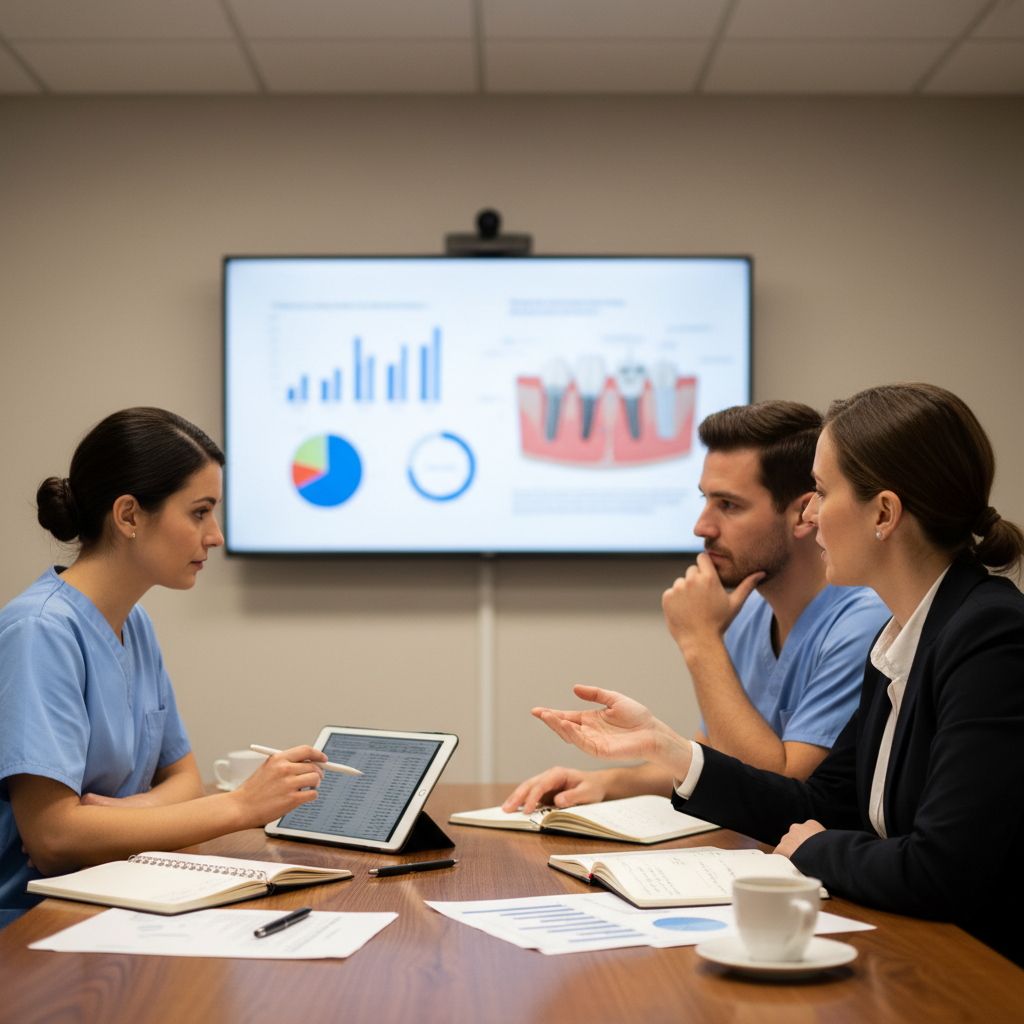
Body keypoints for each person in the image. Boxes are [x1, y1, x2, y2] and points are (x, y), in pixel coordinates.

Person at [530, 383, 1024, 965]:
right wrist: (666, 747)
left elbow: (941, 869)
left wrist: (817, 851)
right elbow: (818, 800)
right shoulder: (902, 637)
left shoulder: (990, 637)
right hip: (919, 949)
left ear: (884, 514)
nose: (809, 513)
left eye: (821, 491)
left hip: (980, 971)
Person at [0, 408, 329, 928]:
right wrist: (242, 806)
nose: (215, 536)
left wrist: (121, 815)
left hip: (122, 898)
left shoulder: (136, 624)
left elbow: (185, 782)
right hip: (34, 925)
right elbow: (55, 838)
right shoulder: (38, 630)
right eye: (199, 512)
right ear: (129, 516)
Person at [505, 401, 889, 814]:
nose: (701, 526)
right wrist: (608, 782)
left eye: (729, 505)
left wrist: (700, 640)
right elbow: (717, 754)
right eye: (706, 500)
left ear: (804, 513)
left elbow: (785, 787)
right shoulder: (751, 612)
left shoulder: (864, 623)